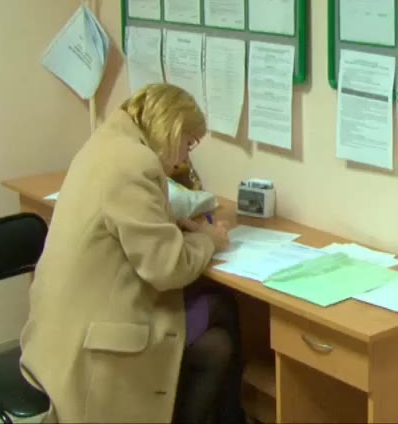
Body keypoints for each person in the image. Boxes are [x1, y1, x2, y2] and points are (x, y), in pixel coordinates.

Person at [19, 83, 242, 424]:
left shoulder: (105, 144)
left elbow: (123, 224)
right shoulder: (135, 164)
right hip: (93, 341)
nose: (185, 158)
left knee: (217, 334)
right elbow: (167, 269)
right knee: (220, 321)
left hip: (63, 324)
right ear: (172, 129)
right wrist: (209, 240)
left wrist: (173, 228)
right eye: (188, 144)